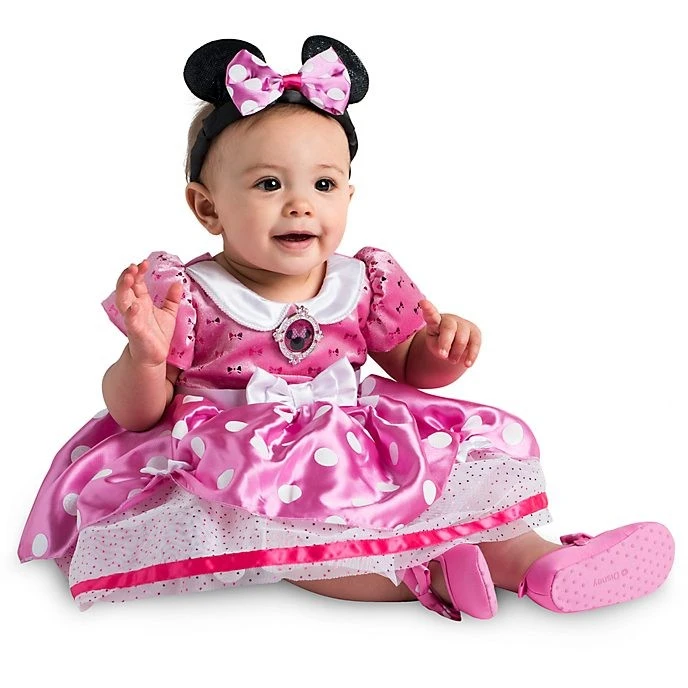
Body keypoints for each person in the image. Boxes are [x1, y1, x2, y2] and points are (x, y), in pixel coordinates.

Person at [18, 35, 674, 616]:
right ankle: (422, 575)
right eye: (269, 184)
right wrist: (144, 357)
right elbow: (137, 415)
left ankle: (538, 560)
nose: (301, 204)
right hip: (239, 458)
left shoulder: (364, 279)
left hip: (356, 435)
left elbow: (408, 366)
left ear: (349, 195)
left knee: (454, 479)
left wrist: (441, 353)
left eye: (325, 185)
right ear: (207, 207)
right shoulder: (184, 294)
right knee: (304, 544)